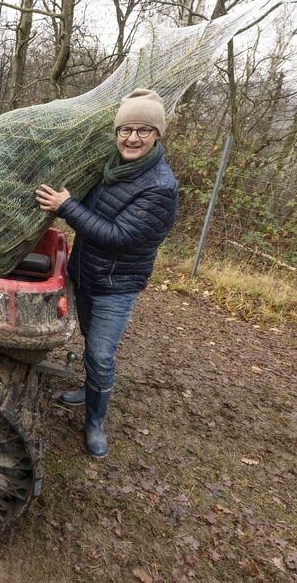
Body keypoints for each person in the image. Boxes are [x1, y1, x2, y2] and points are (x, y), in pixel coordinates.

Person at [34, 88, 178, 458]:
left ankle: (95, 421)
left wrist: (66, 207)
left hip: (117, 284)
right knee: (87, 335)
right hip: (86, 272)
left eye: (143, 130)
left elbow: (120, 237)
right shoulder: (109, 166)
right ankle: (90, 387)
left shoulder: (160, 187)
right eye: (125, 129)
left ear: (158, 134)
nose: (132, 138)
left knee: (100, 352)